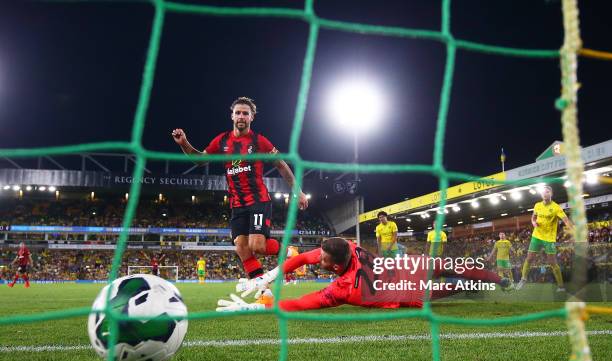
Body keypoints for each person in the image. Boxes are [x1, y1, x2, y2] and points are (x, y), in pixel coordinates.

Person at [172, 97, 308, 284]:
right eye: (238, 113)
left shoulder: (259, 141)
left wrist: (298, 191)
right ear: (232, 116)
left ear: (252, 117)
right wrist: (184, 143)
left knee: (257, 245)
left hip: (258, 200)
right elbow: (200, 159)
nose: (241, 116)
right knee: (241, 247)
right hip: (237, 204)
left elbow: (281, 165)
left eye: (245, 113)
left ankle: (289, 252)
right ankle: (261, 287)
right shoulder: (222, 141)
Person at [221, 237, 506, 312]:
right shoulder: (350, 247)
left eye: (322, 258)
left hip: (407, 292)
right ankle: (497, 279)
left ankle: (473, 286)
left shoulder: (345, 288)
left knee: (451, 288)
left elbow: (302, 302)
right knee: (452, 268)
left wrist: (263, 304)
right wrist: (268, 276)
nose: (316, 258)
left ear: (334, 267)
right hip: (407, 267)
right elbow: (301, 259)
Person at [516, 185, 573, 291]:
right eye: (543, 192)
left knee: (552, 262)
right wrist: (533, 223)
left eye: (547, 192)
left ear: (551, 194)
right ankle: (523, 279)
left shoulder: (556, 207)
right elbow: (533, 217)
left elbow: (565, 220)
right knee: (529, 258)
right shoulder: (537, 205)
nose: (545, 194)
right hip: (537, 236)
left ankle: (561, 287)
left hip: (549, 238)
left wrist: (572, 229)